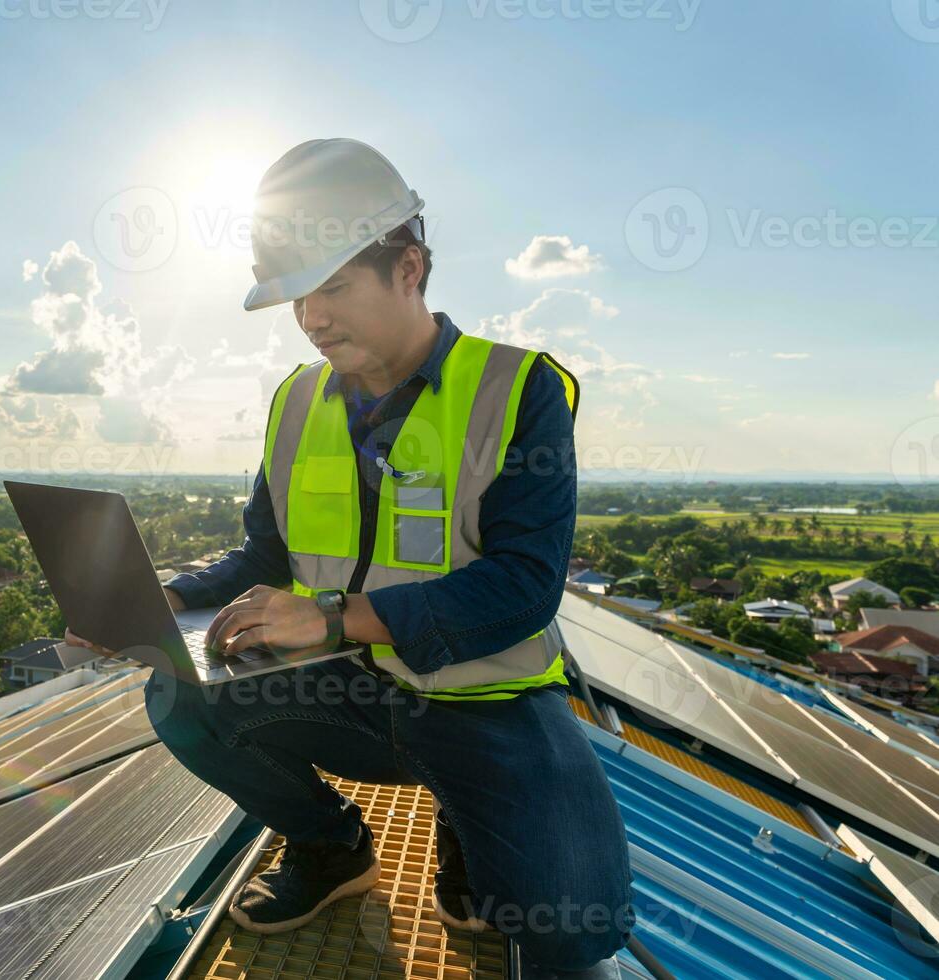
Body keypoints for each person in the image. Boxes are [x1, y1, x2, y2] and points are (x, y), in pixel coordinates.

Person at [67, 138, 633, 978]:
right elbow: (266, 553)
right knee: (180, 698)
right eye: (299, 295)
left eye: (331, 287)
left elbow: (525, 587)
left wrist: (334, 619)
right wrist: (150, 603)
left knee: (572, 932)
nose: (311, 318)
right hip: (353, 692)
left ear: (409, 267)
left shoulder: (517, 390)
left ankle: (468, 824)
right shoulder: (297, 402)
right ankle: (332, 850)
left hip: (485, 700)